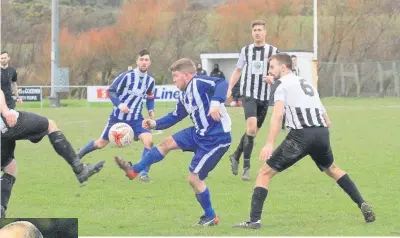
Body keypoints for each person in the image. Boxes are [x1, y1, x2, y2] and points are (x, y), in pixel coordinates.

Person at [232, 53, 375, 229]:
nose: (269, 71)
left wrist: (269, 143)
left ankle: (254, 221)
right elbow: (326, 117)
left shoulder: (281, 84)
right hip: (322, 132)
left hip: (300, 135)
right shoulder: (305, 82)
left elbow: (278, 115)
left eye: (272, 67)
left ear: (283, 67)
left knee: (264, 173)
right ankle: (362, 203)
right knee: (333, 169)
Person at [114, 58, 232, 226]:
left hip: (216, 138)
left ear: (186, 75)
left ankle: (211, 216)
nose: (173, 80)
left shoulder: (198, 82)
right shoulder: (184, 94)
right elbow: (176, 116)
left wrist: (215, 103)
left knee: (194, 179)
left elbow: (222, 83)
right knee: (166, 143)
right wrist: (155, 123)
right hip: (198, 132)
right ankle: (134, 171)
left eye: (176, 76)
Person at [0, 89, 105, 218]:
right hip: (4, 123)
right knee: (50, 125)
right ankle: (80, 169)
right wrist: (4, 111)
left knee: (9, 167)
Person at [77, 49, 156, 182]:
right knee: (101, 143)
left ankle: (143, 173)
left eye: (146, 60)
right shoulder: (126, 76)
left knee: (148, 141)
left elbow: (150, 96)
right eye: (141, 60)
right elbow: (111, 91)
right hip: (117, 118)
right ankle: (78, 154)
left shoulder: (150, 81)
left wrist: (151, 110)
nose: (143, 62)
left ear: (150, 63)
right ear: (137, 61)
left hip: (136, 119)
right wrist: (120, 105)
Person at [227, 20, 279, 180]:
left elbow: (278, 70)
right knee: (251, 128)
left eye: (260, 30)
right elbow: (238, 70)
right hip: (249, 94)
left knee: (253, 132)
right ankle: (246, 168)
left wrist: (272, 77)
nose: (257, 32)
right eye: (254, 30)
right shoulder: (246, 50)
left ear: (265, 32)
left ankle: (235, 155)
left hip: (264, 97)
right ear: (252, 33)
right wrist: (229, 89)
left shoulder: (273, 50)